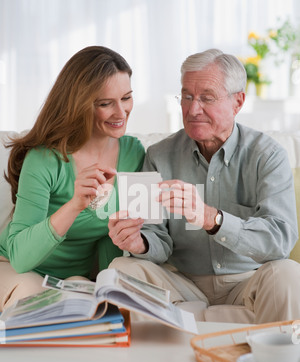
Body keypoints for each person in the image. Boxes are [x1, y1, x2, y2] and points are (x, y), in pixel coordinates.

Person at [108, 48, 300, 324]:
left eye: (206, 98)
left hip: (249, 281)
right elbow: (156, 238)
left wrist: (211, 218)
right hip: (182, 281)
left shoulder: (267, 155)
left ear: (238, 102)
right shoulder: (159, 155)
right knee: (122, 268)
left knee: (289, 273)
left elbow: (279, 240)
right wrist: (140, 242)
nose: (193, 109)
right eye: (187, 96)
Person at [0, 46, 145, 311]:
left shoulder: (133, 153)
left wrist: (108, 285)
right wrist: (75, 203)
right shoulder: (45, 158)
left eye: (126, 98)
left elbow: (108, 237)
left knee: (96, 303)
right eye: (105, 103)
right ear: (79, 105)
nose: (121, 112)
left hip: (71, 280)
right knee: (37, 298)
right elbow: (20, 258)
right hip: (13, 268)